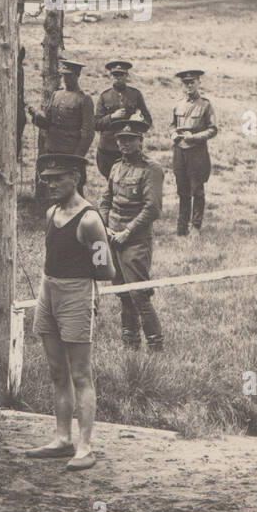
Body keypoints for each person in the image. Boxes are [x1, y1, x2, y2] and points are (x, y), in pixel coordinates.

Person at [26, 153, 114, 473]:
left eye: (58, 178)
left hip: (77, 294)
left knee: (80, 373)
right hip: (48, 291)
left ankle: (85, 446)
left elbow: (106, 268)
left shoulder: (90, 219)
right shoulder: (51, 213)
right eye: (47, 179)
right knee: (56, 371)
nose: (50, 184)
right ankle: (61, 438)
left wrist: (83, 288)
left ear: (75, 177)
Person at [99, 119, 164, 352]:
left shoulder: (152, 169)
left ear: (140, 141)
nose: (124, 144)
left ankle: (155, 345)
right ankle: (130, 343)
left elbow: (152, 208)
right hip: (113, 237)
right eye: (120, 139)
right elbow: (106, 200)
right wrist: (105, 226)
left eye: (129, 139)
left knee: (138, 293)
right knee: (122, 292)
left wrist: (126, 232)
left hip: (135, 240)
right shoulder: (116, 167)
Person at [27, 59, 95, 192]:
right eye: (64, 75)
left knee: (73, 186)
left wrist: (77, 157)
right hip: (53, 149)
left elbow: (88, 133)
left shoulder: (84, 99)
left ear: (77, 76)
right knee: (53, 184)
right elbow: (48, 123)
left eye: (69, 75)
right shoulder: (56, 95)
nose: (66, 79)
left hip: (70, 151)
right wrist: (35, 116)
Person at [170, 68, 218, 236]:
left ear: (199, 83)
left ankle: (196, 226)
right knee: (182, 190)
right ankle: (182, 227)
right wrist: (173, 134)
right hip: (179, 151)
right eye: (185, 83)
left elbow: (213, 129)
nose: (189, 86)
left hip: (197, 152)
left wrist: (194, 137)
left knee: (197, 190)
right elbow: (172, 125)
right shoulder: (178, 104)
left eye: (192, 82)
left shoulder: (205, 105)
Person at [93, 60, 153, 180]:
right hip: (109, 148)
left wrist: (139, 120)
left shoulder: (135, 94)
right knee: (111, 180)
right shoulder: (104, 96)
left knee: (131, 181)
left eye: (121, 75)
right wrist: (111, 117)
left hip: (130, 146)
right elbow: (96, 124)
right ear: (111, 76)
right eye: (115, 75)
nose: (117, 78)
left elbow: (148, 120)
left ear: (126, 76)